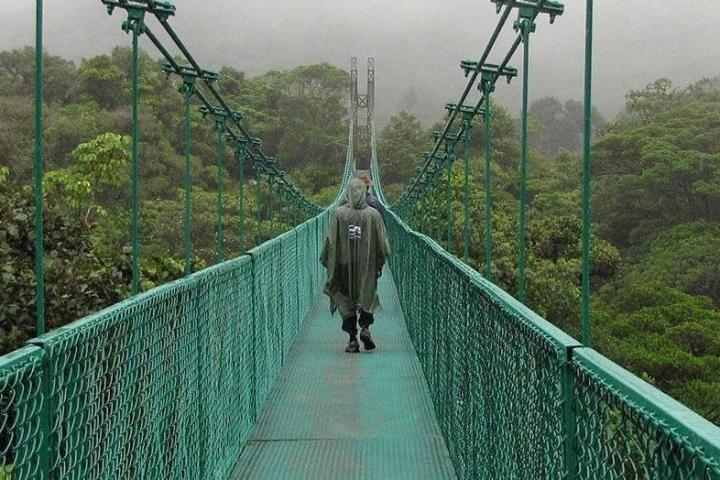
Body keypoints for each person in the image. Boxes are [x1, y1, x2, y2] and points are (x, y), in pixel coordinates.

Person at [320, 178, 390, 353]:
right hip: (367, 264)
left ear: (349, 192)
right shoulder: (374, 215)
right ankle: (365, 328)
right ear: (365, 192)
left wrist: (327, 261)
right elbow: (382, 243)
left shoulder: (338, 213)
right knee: (367, 295)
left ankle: (353, 339)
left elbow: (331, 241)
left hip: (343, 265)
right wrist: (379, 263)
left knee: (345, 298)